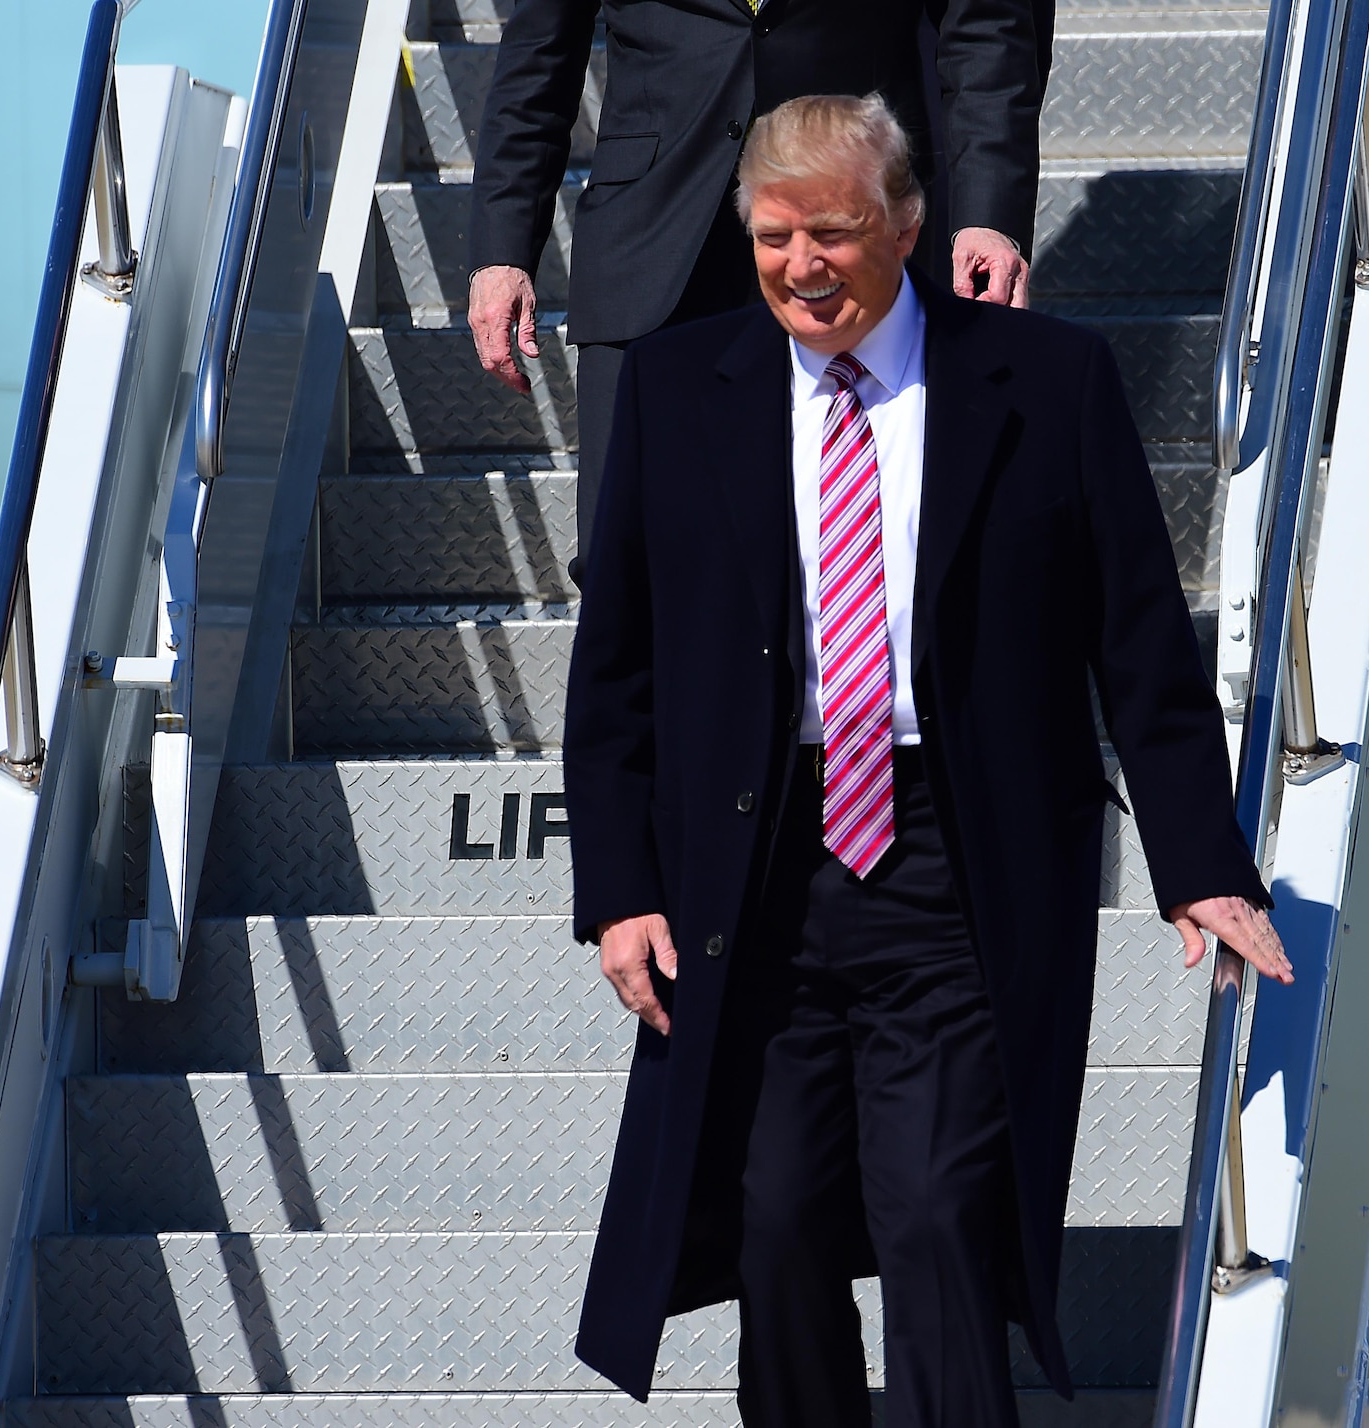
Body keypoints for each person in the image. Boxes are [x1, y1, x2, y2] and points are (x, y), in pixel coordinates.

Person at [562, 94, 1292, 1427]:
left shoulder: (1047, 382)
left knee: (942, 1217)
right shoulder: (679, 390)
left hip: (955, 861)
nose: (802, 266)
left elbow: (1137, 641)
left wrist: (1198, 860)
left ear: (907, 226)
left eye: (833, 233)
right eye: (775, 238)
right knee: (774, 1224)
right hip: (754, 878)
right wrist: (619, 888)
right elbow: (616, 671)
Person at [465, 0, 1054, 573]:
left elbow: (987, 29)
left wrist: (988, 216)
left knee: (848, 564)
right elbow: (538, 59)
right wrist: (502, 253)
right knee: (625, 563)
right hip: (650, 249)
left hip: (853, 250)